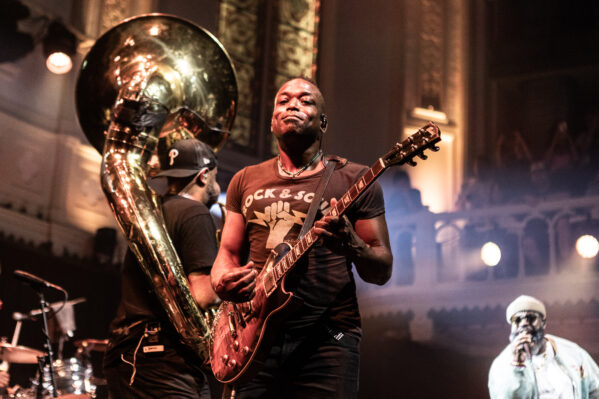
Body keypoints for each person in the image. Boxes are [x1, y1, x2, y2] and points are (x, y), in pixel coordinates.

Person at [210, 77, 393, 398]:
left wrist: (352, 244)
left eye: (305, 101)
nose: (292, 104)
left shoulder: (355, 179)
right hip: (252, 338)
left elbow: (382, 269)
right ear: (271, 121)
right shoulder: (244, 180)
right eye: (283, 100)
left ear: (323, 123)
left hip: (328, 339)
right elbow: (227, 251)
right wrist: (221, 280)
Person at [103, 138, 222, 398]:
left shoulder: (153, 214)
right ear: (203, 175)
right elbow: (204, 295)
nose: (217, 184)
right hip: (164, 361)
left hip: (125, 353)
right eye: (215, 175)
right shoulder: (195, 213)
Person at [488, 295, 599, 398]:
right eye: (517, 320)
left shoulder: (573, 353)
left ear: (544, 322)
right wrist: (517, 366)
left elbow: (596, 389)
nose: (524, 324)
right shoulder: (501, 365)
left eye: (531, 318)